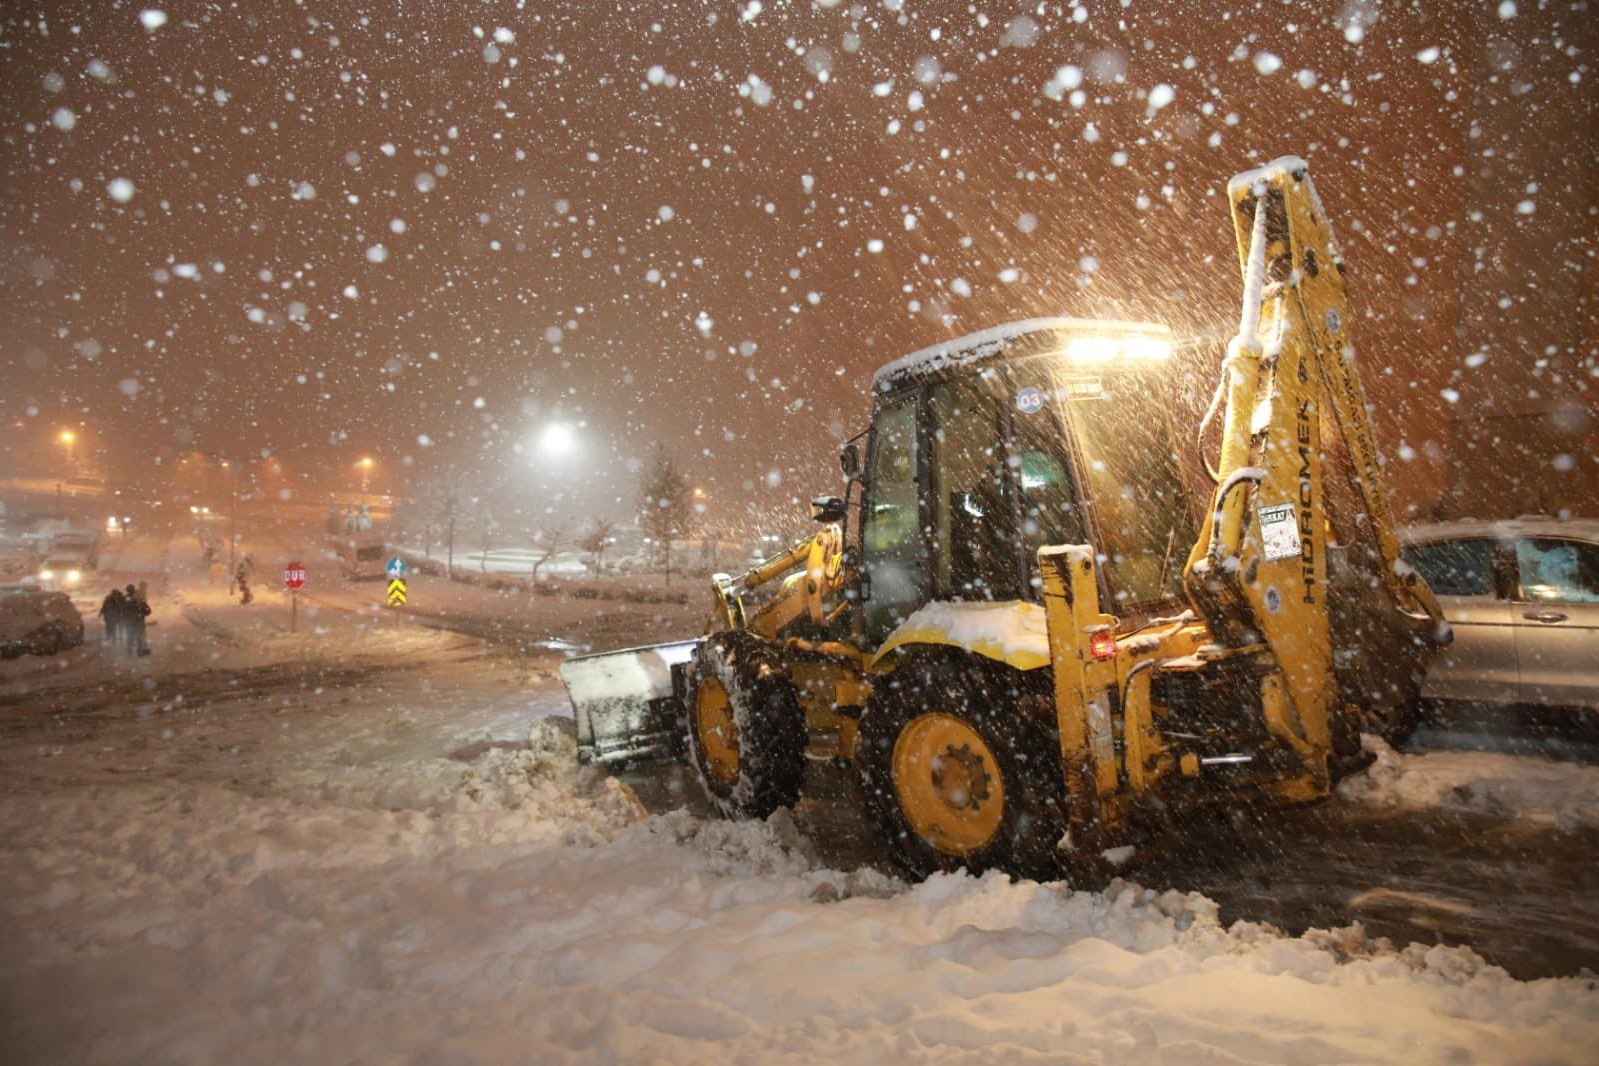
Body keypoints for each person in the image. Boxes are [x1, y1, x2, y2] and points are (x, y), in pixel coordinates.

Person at [124, 583, 151, 657]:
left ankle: (130, 653)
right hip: (138, 622)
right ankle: (139, 652)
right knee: (139, 637)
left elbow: (121, 610)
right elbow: (148, 610)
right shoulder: (139, 598)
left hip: (130, 622)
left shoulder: (125, 599)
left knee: (130, 637)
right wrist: (141, 615)